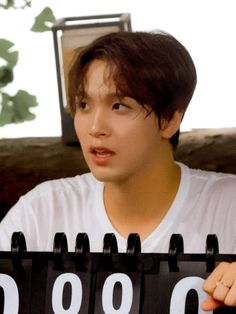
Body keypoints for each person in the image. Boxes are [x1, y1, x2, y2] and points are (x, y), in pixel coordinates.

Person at [0, 30, 236, 311]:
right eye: (84, 105)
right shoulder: (40, 213)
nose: (95, 127)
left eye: (119, 106)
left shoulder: (228, 205)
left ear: (170, 120)